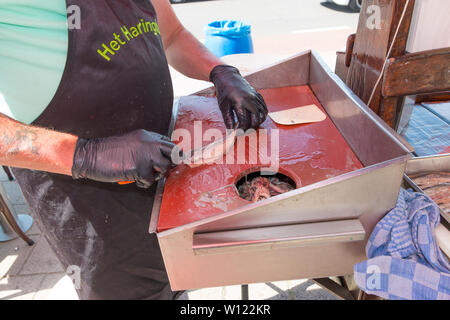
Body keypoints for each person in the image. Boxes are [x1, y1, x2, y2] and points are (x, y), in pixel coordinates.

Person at [0, 0, 267, 299]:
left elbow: (173, 35)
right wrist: (87, 155)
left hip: (161, 167)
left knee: (175, 277)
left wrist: (219, 70)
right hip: (88, 203)